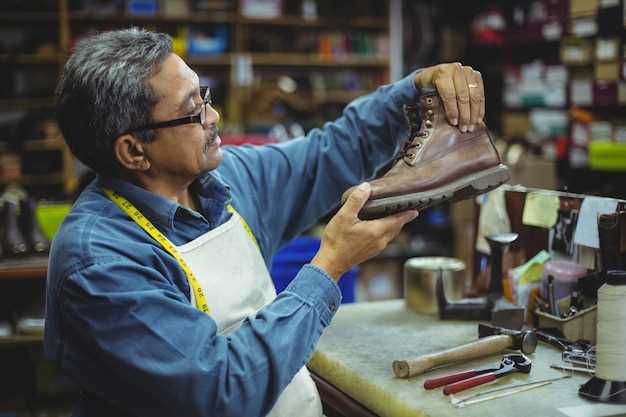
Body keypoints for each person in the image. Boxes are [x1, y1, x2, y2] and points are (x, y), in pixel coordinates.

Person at [45, 28, 486, 417]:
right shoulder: (99, 262)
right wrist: (328, 266)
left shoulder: (225, 179)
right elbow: (223, 392)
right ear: (134, 151)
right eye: (192, 111)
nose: (213, 117)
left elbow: (330, 152)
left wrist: (413, 90)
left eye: (206, 97)